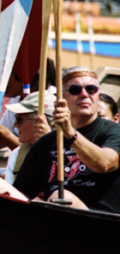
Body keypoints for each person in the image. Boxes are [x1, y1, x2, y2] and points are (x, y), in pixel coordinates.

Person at [14, 67, 120, 211]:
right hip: (56, 221)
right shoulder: (45, 143)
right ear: (61, 99)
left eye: (91, 89)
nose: (84, 94)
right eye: (75, 89)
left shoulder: (114, 131)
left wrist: (71, 134)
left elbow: (104, 164)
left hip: (103, 224)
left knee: (62, 196)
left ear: (98, 96)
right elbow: (21, 194)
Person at [3, 87, 55, 182]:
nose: (15, 124)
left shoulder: (67, 151)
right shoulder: (17, 154)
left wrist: (47, 143)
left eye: (19, 119)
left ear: (40, 122)